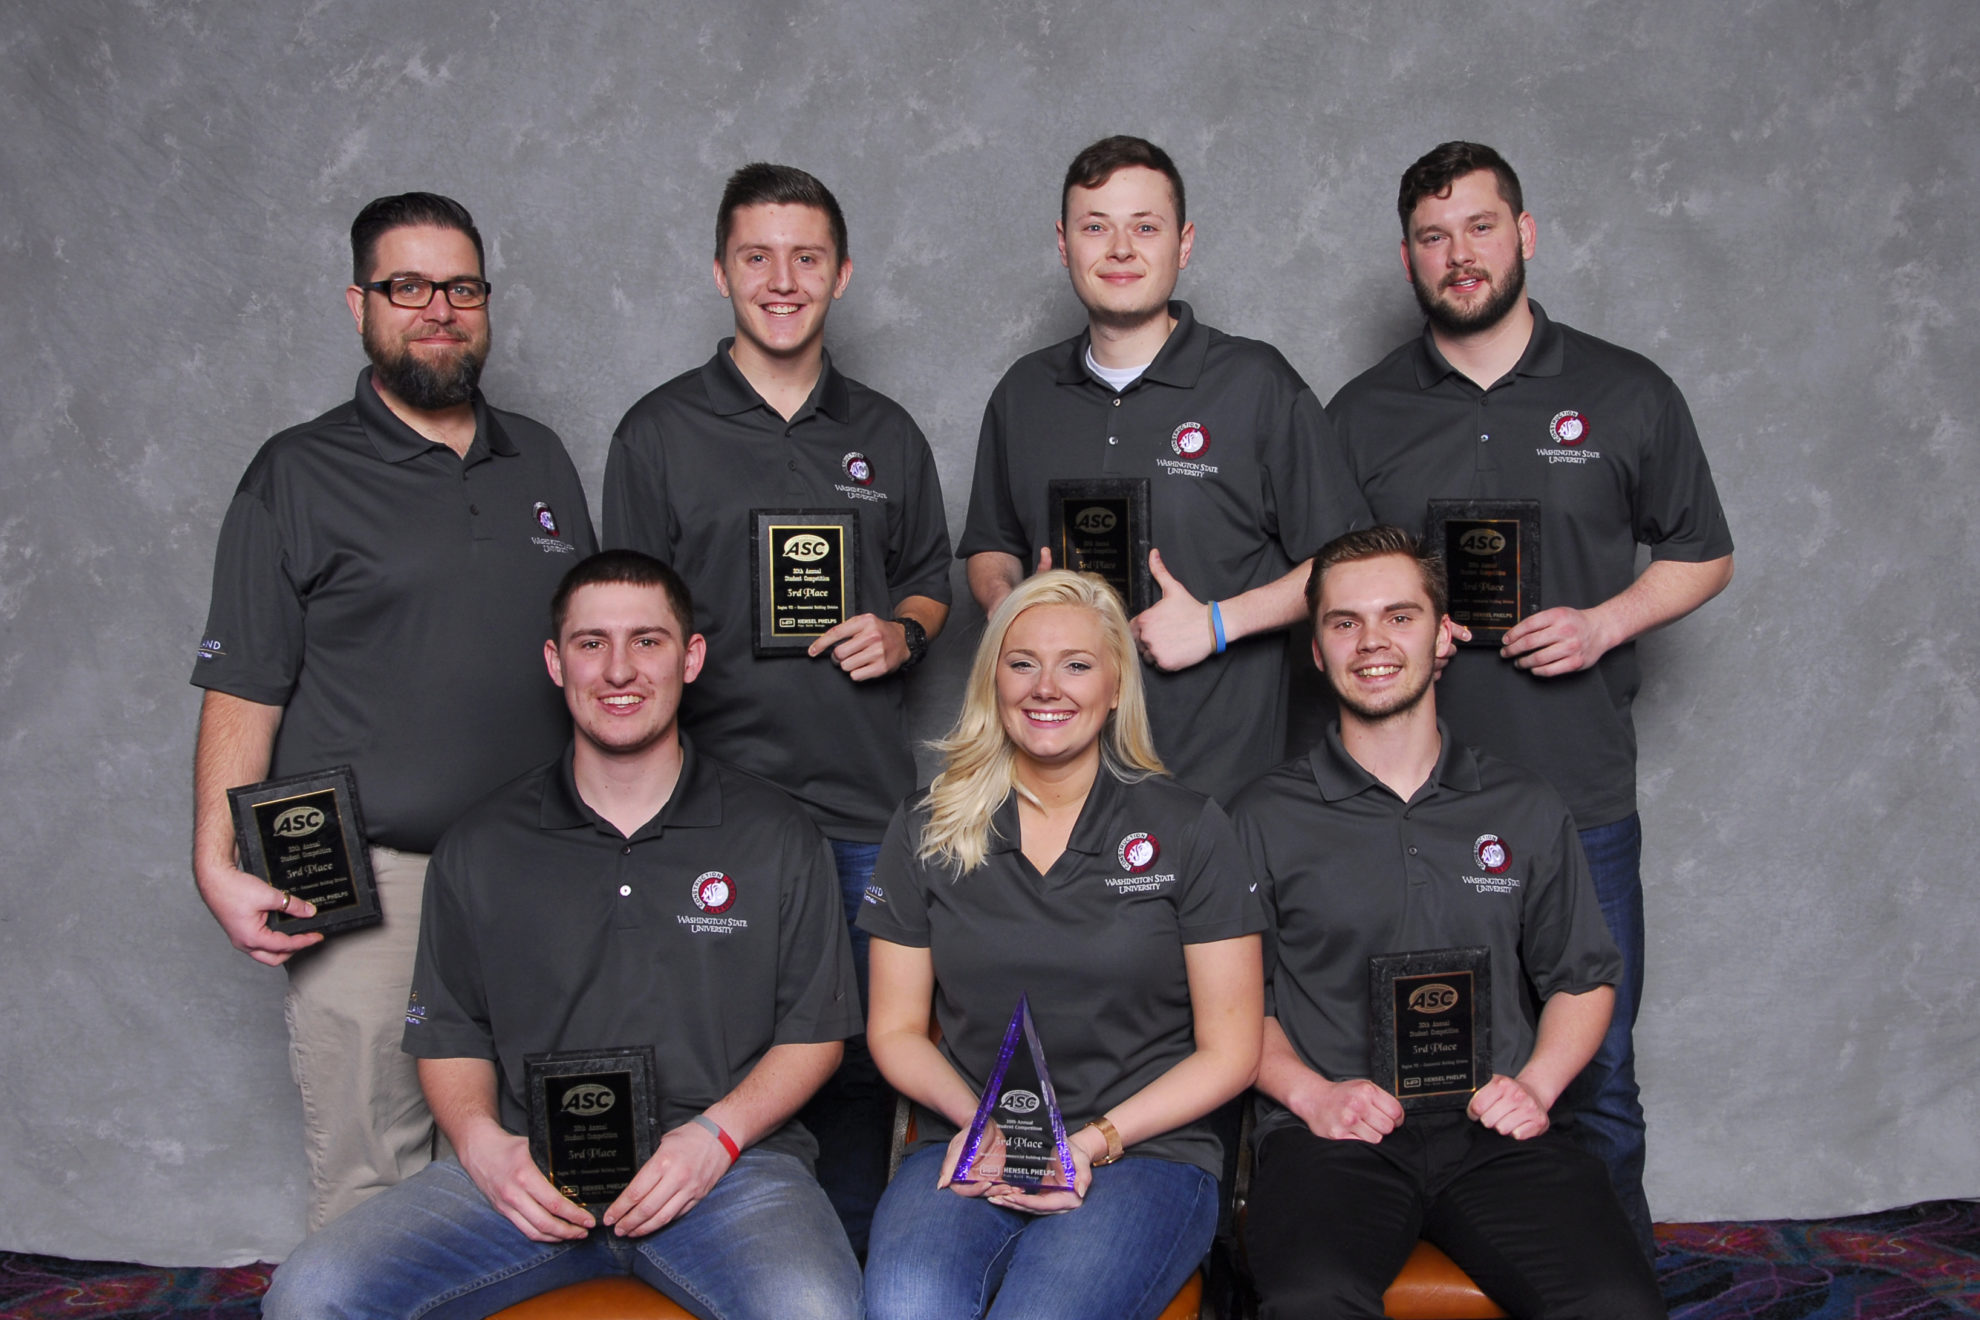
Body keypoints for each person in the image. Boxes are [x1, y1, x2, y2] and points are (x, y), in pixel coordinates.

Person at [261, 551, 864, 1320]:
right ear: (555, 661)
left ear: (691, 656)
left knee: (815, 1310)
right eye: (591, 643)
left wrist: (715, 1138)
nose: (620, 670)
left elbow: (815, 1036)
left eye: (647, 641)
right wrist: (484, 1147)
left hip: (729, 1168)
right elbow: (450, 1034)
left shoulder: (777, 835)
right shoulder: (479, 845)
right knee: (310, 1295)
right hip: (528, 1173)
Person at [1325, 141, 1735, 1253]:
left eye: (1480, 228)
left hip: (1576, 789)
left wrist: (1605, 621)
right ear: (1406, 258)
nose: (1459, 256)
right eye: (1432, 236)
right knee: (1395, 1066)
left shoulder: (1625, 389)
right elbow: (1331, 584)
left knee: (1595, 1074)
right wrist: (1410, 623)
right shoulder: (1361, 414)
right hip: (1409, 797)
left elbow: (1704, 553)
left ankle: (1613, 1281)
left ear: (1526, 234)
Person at [189, 192, 596, 1230]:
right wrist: (214, 856)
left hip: (534, 871)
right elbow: (247, 680)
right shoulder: (298, 472)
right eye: (406, 287)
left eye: (461, 287)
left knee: (530, 1164)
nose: (438, 310)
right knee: (376, 1175)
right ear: (359, 303)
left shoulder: (542, 461)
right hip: (367, 878)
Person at [603, 163, 951, 1253]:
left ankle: (837, 1274)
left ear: (841, 276)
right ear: (721, 272)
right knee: (703, 1060)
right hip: (705, 816)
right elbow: (623, 615)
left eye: (807, 257)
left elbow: (933, 574)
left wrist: (905, 630)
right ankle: (716, 1268)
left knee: (849, 1065)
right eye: (758, 256)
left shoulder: (886, 433)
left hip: (857, 812)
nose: (782, 280)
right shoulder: (656, 433)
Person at [1228, 528, 1665, 1319]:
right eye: (1344, 622)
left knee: (1615, 1304)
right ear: (1318, 652)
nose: (1373, 643)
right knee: (1308, 1302)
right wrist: (1313, 1096)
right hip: (1332, 1136)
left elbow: (1585, 979)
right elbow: (1232, 1006)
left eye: (1399, 616)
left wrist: (1534, 1088)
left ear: (1444, 637)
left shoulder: (1524, 804)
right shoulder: (1260, 816)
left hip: (1496, 1133)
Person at [859, 569, 1264, 1320]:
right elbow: (893, 1029)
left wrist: (1091, 1142)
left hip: (1143, 1154)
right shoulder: (924, 828)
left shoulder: (1191, 827)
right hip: (972, 1141)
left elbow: (1232, 1050)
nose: (1047, 687)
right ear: (993, 681)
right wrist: (977, 1125)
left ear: (1115, 686)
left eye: (1077, 664)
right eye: (1023, 663)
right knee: (907, 1304)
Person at [959, 135, 1369, 802]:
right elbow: (989, 545)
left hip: (1217, 791)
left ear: (1184, 243)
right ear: (1065, 244)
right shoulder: (1024, 393)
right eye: (1097, 227)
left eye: (1145, 227)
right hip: (1054, 794)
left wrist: (1218, 622)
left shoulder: (1256, 384)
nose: (1120, 249)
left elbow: (1349, 564)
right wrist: (1012, 606)